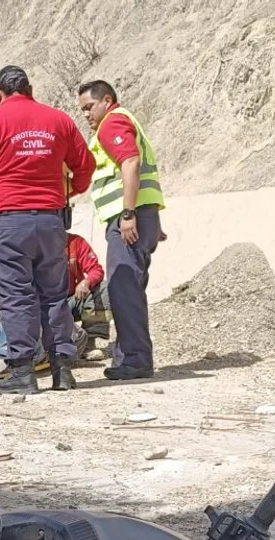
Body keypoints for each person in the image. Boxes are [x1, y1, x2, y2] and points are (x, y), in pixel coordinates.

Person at [0, 66, 95, 395]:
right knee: (54, 296)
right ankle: (62, 371)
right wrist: (68, 192)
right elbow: (85, 166)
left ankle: (22, 372)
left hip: (10, 224)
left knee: (17, 298)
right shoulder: (58, 120)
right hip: (51, 223)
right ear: (30, 89)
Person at [77, 80, 166, 381]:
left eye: (90, 107)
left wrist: (129, 213)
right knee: (130, 289)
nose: (86, 114)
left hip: (128, 219)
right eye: (82, 110)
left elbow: (130, 162)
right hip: (142, 216)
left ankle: (134, 359)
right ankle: (130, 357)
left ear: (106, 100)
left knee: (123, 288)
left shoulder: (112, 123)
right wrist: (149, 217)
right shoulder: (125, 120)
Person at [66, 232, 112, 347]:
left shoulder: (75, 242)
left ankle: (92, 341)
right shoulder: (34, 246)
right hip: (45, 307)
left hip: (71, 302)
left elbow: (95, 270)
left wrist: (86, 282)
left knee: (103, 288)